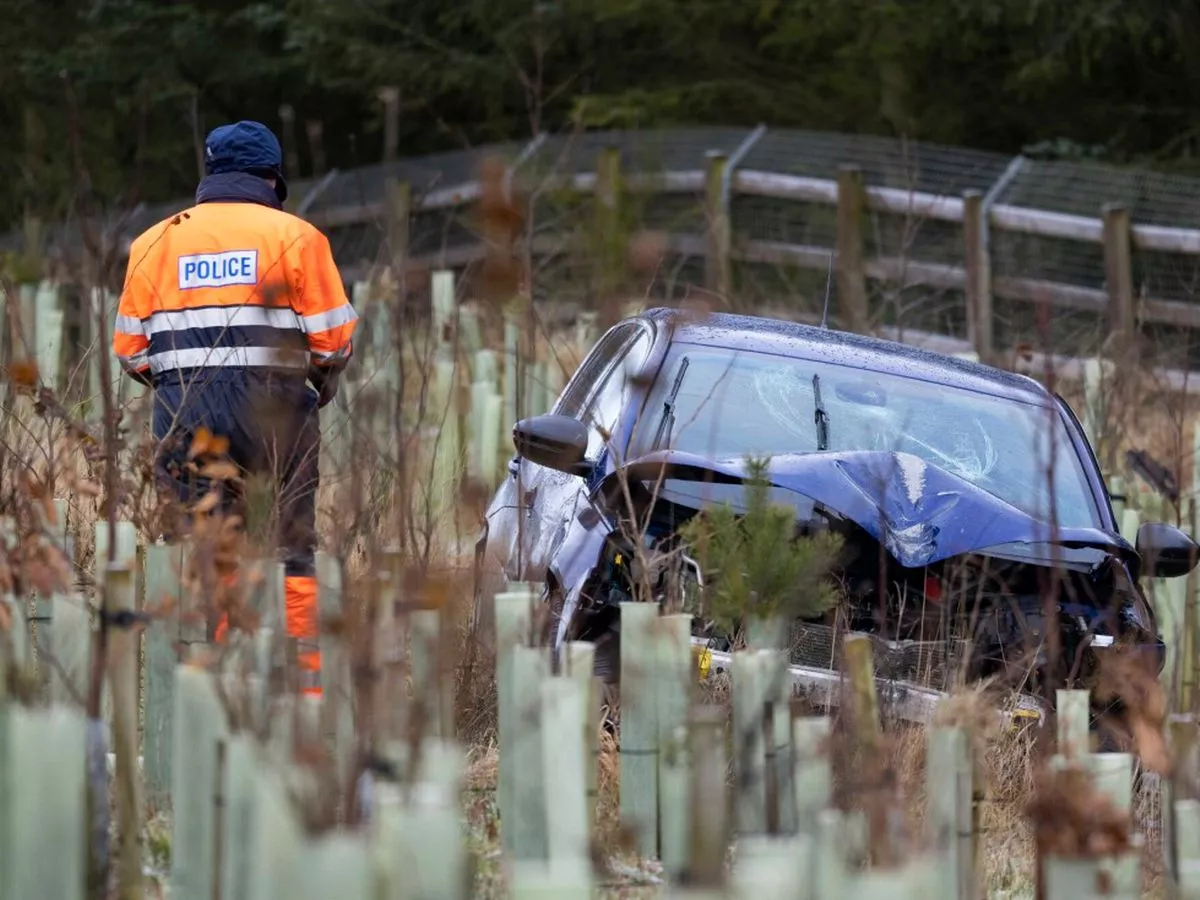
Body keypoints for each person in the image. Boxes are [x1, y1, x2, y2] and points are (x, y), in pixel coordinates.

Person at [111, 120, 358, 695]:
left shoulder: (153, 242)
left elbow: (128, 350)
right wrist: (321, 382)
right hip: (278, 416)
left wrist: (180, 386)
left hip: (183, 417)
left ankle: (207, 688)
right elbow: (333, 342)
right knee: (290, 546)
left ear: (210, 173)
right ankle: (301, 684)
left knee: (201, 547)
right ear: (273, 178)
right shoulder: (297, 238)